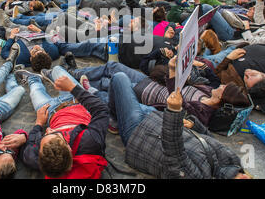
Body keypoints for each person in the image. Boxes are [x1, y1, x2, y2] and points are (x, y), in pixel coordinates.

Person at [105, 70, 251, 178]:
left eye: (224, 87)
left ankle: (112, 117)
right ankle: (95, 94)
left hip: (140, 135)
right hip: (156, 117)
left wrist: (174, 111)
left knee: (119, 77)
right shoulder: (233, 161)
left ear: (221, 97)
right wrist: (195, 126)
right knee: (113, 92)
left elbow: (173, 152)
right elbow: (208, 139)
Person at [17, 67, 108, 178]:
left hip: (50, 111)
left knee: (35, 90)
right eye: (54, 134)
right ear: (69, 149)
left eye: (44, 135)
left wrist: (38, 124)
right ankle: (50, 73)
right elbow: (101, 110)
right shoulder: (90, 141)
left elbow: (28, 151)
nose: (48, 129)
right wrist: (73, 88)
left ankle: (34, 78)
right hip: (75, 100)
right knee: (57, 70)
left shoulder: (38, 158)